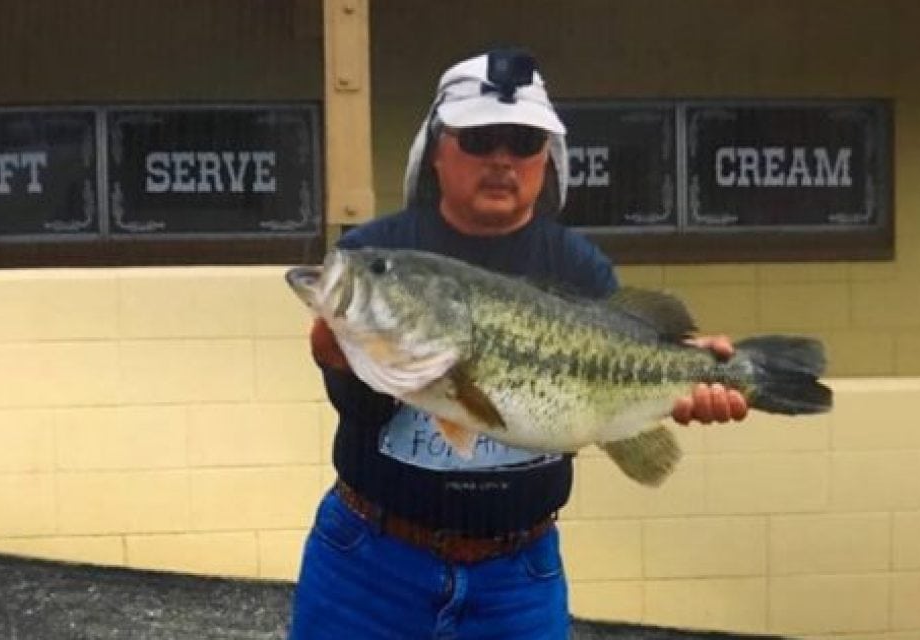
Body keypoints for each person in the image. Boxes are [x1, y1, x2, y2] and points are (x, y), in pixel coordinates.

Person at [288, 47, 747, 640]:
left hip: (516, 580)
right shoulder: (382, 252)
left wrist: (695, 368)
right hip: (367, 565)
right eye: (480, 141)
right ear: (437, 152)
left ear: (546, 159)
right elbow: (361, 407)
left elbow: (633, 353)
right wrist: (338, 354)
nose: (502, 160)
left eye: (523, 143)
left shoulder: (577, 265)